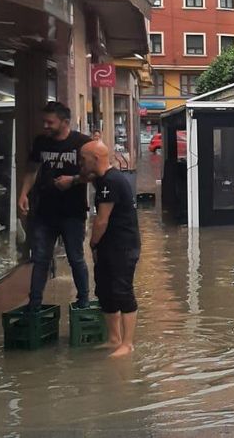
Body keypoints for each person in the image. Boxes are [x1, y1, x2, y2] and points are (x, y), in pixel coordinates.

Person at [19, 102, 91, 312]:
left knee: (76, 257)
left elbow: (96, 172)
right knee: (40, 258)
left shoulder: (82, 143)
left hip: (73, 212)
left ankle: (84, 301)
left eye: (50, 122)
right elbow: (32, 170)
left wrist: (74, 180)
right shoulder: (41, 142)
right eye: (44, 122)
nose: (46, 126)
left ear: (65, 122)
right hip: (44, 212)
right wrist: (23, 193)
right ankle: (34, 305)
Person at [80, 141, 141, 358]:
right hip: (110, 245)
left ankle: (127, 343)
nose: (81, 163)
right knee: (105, 291)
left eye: (83, 158)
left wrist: (92, 243)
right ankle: (114, 338)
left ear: (95, 159)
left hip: (122, 245)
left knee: (122, 290)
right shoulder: (104, 179)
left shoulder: (111, 182)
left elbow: (101, 221)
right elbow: (88, 176)